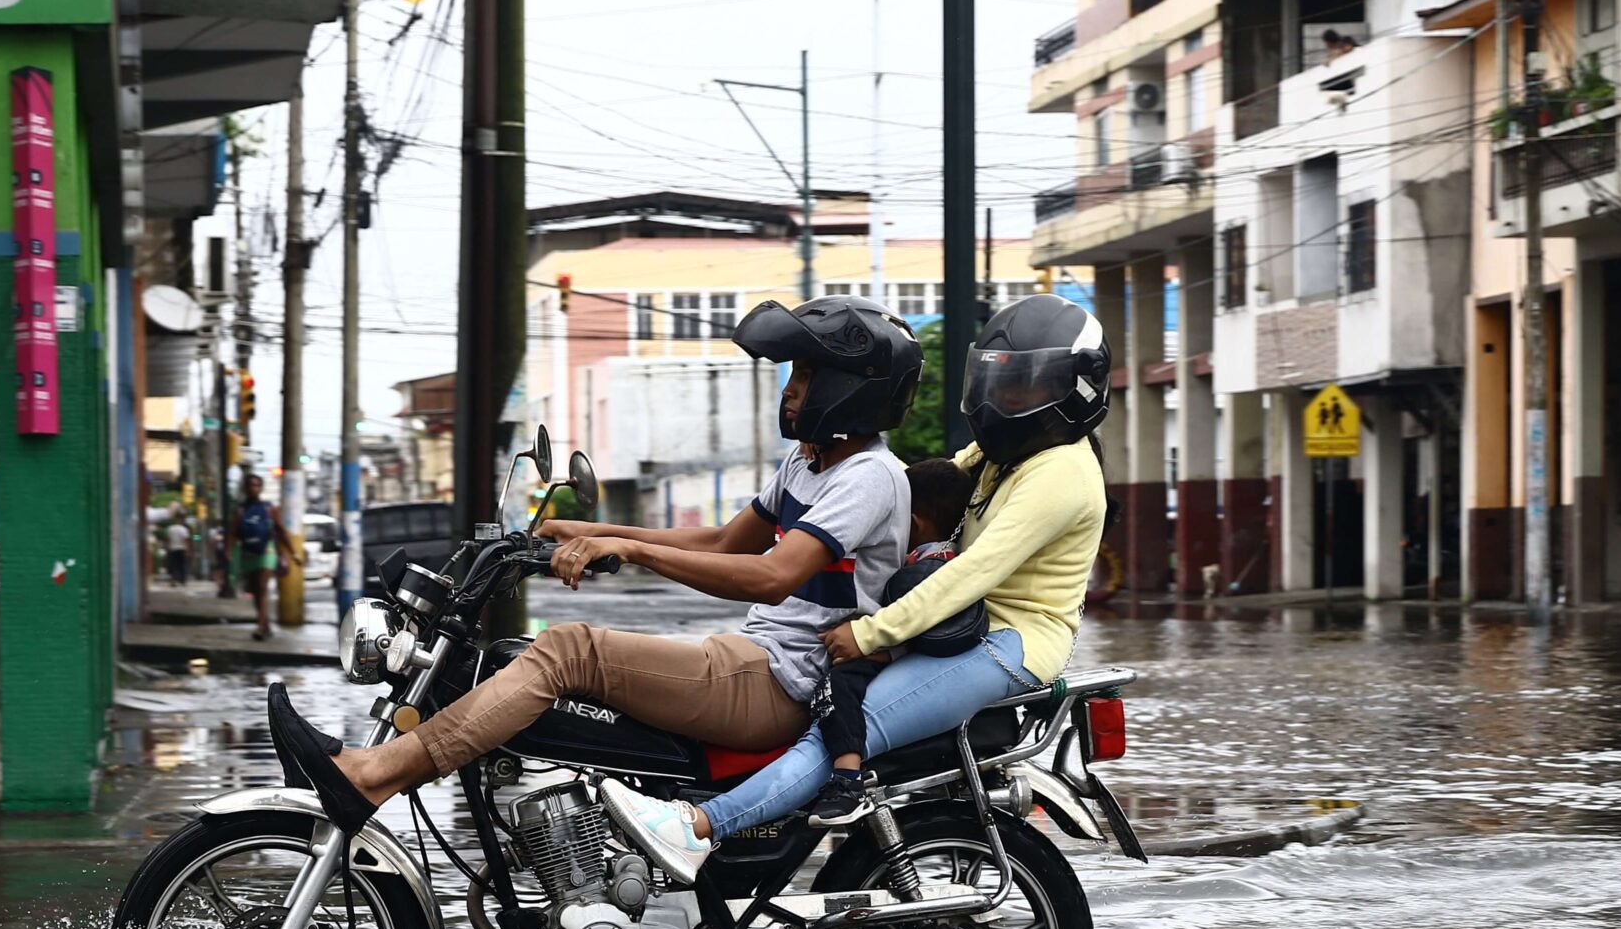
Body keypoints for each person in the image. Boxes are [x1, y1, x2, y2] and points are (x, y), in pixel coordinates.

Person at [285, 295, 924, 844]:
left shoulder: (869, 476)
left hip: (785, 682)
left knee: (570, 650)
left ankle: (374, 775)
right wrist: (592, 532)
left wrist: (633, 551)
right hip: (751, 658)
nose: (791, 390)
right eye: (794, 373)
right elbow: (727, 540)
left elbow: (771, 575)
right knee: (520, 658)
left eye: (807, 375)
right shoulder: (809, 464)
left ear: (852, 387)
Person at [603, 292, 1112, 883]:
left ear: (1073, 391)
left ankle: (696, 827)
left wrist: (870, 632)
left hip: (1007, 645)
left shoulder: (1062, 471)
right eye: (999, 382)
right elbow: (932, 485)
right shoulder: (1001, 454)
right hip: (956, 629)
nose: (1005, 399)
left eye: (1023, 387)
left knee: (841, 731)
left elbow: (971, 572)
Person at [803, 456, 975, 825]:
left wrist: (886, 654)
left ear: (911, 523)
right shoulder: (948, 558)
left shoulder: (925, 566)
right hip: (909, 651)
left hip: (905, 653)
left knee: (839, 685)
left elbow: (925, 620)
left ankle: (847, 779)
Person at [234, 475, 279, 641]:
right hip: (248, 553)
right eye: (250, 485)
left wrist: (292, 553)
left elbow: (280, 530)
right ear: (245, 488)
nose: (253, 489)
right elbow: (233, 533)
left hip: (266, 552)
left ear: (261, 488)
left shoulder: (269, 508)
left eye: (256, 485)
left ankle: (260, 626)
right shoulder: (240, 510)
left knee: (262, 587)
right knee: (255, 590)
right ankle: (266, 625)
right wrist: (227, 552)